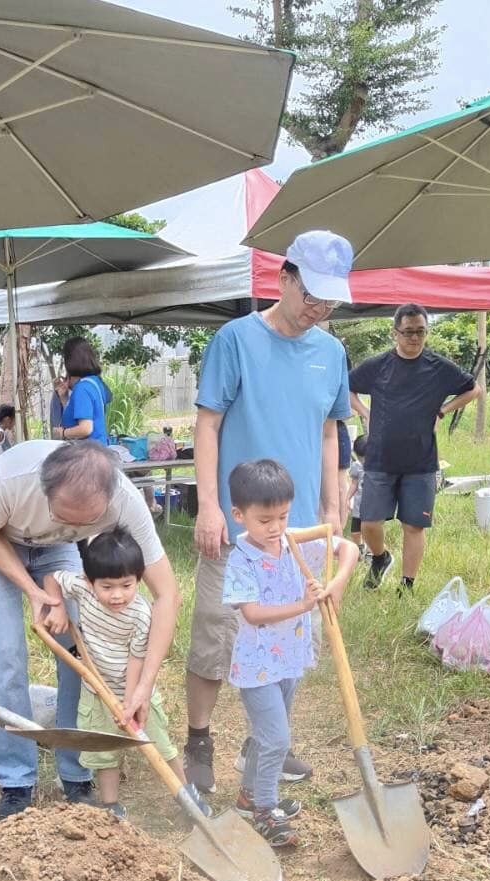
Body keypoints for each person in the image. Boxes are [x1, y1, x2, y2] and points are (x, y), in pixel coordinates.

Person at [184, 230, 354, 795]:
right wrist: (210, 506)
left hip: (299, 529)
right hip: (238, 525)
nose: (319, 309)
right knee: (216, 632)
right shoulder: (235, 340)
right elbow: (207, 425)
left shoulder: (331, 353)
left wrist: (331, 508)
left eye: (330, 302)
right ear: (284, 279)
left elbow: (329, 433)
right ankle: (199, 739)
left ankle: (265, 746)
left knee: (291, 640)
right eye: (312, 296)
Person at [0, 439, 179, 820]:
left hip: (57, 549)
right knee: (8, 655)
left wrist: (143, 686)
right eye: (65, 517)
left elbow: (167, 595)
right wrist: (34, 592)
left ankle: (76, 773)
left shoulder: (124, 501)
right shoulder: (8, 481)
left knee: (79, 656)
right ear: (45, 491)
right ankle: (16, 782)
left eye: (85, 523)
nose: (74, 526)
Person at [223, 459, 358, 846]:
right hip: (257, 666)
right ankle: (265, 809)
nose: (275, 528)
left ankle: (250, 797)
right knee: (277, 740)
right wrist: (303, 605)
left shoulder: (294, 542)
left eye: (282, 517)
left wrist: (337, 584)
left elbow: (348, 548)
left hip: (289, 661)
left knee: (266, 735)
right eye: (265, 520)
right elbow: (252, 613)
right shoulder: (242, 559)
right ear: (239, 515)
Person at [51, 527, 188, 820]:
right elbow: (52, 578)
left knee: (160, 745)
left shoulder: (140, 614)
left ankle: (187, 797)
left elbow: (137, 659)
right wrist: (57, 607)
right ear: (90, 581)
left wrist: (129, 703)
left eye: (127, 585)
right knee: (104, 753)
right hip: (95, 693)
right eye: (107, 587)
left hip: (135, 694)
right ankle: (111, 806)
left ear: (138, 579)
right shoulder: (81, 589)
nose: (117, 595)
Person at [348, 304, 482, 593]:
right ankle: (380, 558)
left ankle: (407, 585)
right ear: (395, 333)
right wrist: (365, 412)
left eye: (420, 332)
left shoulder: (438, 367)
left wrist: (443, 411)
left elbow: (474, 389)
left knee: (413, 525)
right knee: (369, 522)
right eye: (408, 332)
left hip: (420, 461)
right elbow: (347, 388)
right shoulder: (378, 366)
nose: (414, 338)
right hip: (380, 458)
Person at [54, 338, 111, 444]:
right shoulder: (95, 382)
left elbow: (85, 429)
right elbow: (77, 417)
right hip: (99, 448)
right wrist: (64, 398)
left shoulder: (82, 389)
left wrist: (62, 433)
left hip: (87, 450)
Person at [348, 433, 368, 554]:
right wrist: (347, 498)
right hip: (358, 507)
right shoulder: (357, 466)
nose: (363, 461)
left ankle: (371, 551)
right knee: (355, 532)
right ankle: (359, 548)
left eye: (365, 458)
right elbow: (354, 484)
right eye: (360, 458)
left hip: (372, 507)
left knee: (369, 530)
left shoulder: (378, 467)